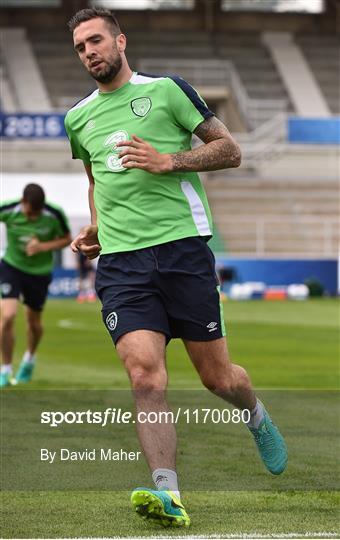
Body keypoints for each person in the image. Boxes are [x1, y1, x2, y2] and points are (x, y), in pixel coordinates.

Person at [66, 8, 287, 528]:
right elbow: (97, 179)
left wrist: (171, 159)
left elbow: (229, 150)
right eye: (80, 47)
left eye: (96, 40)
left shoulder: (168, 90)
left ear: (120, 41)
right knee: (145, 375)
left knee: (217, 378)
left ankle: (255, 415)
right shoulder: (78, 118)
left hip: (183, 252)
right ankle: (168, 492)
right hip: (122, 264)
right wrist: (97, 226)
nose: (89, 52)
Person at [0, 183, 71, 387]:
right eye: (30, 213)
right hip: (12, 266)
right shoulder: (8, 210)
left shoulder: (54, 214)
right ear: (23, 203)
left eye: (36, 214)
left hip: (38, 273)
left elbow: (67, 239)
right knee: (8, 316)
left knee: (34, 323)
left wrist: (42, 246)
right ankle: (5, 370)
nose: (33, 217)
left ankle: (29, 359)